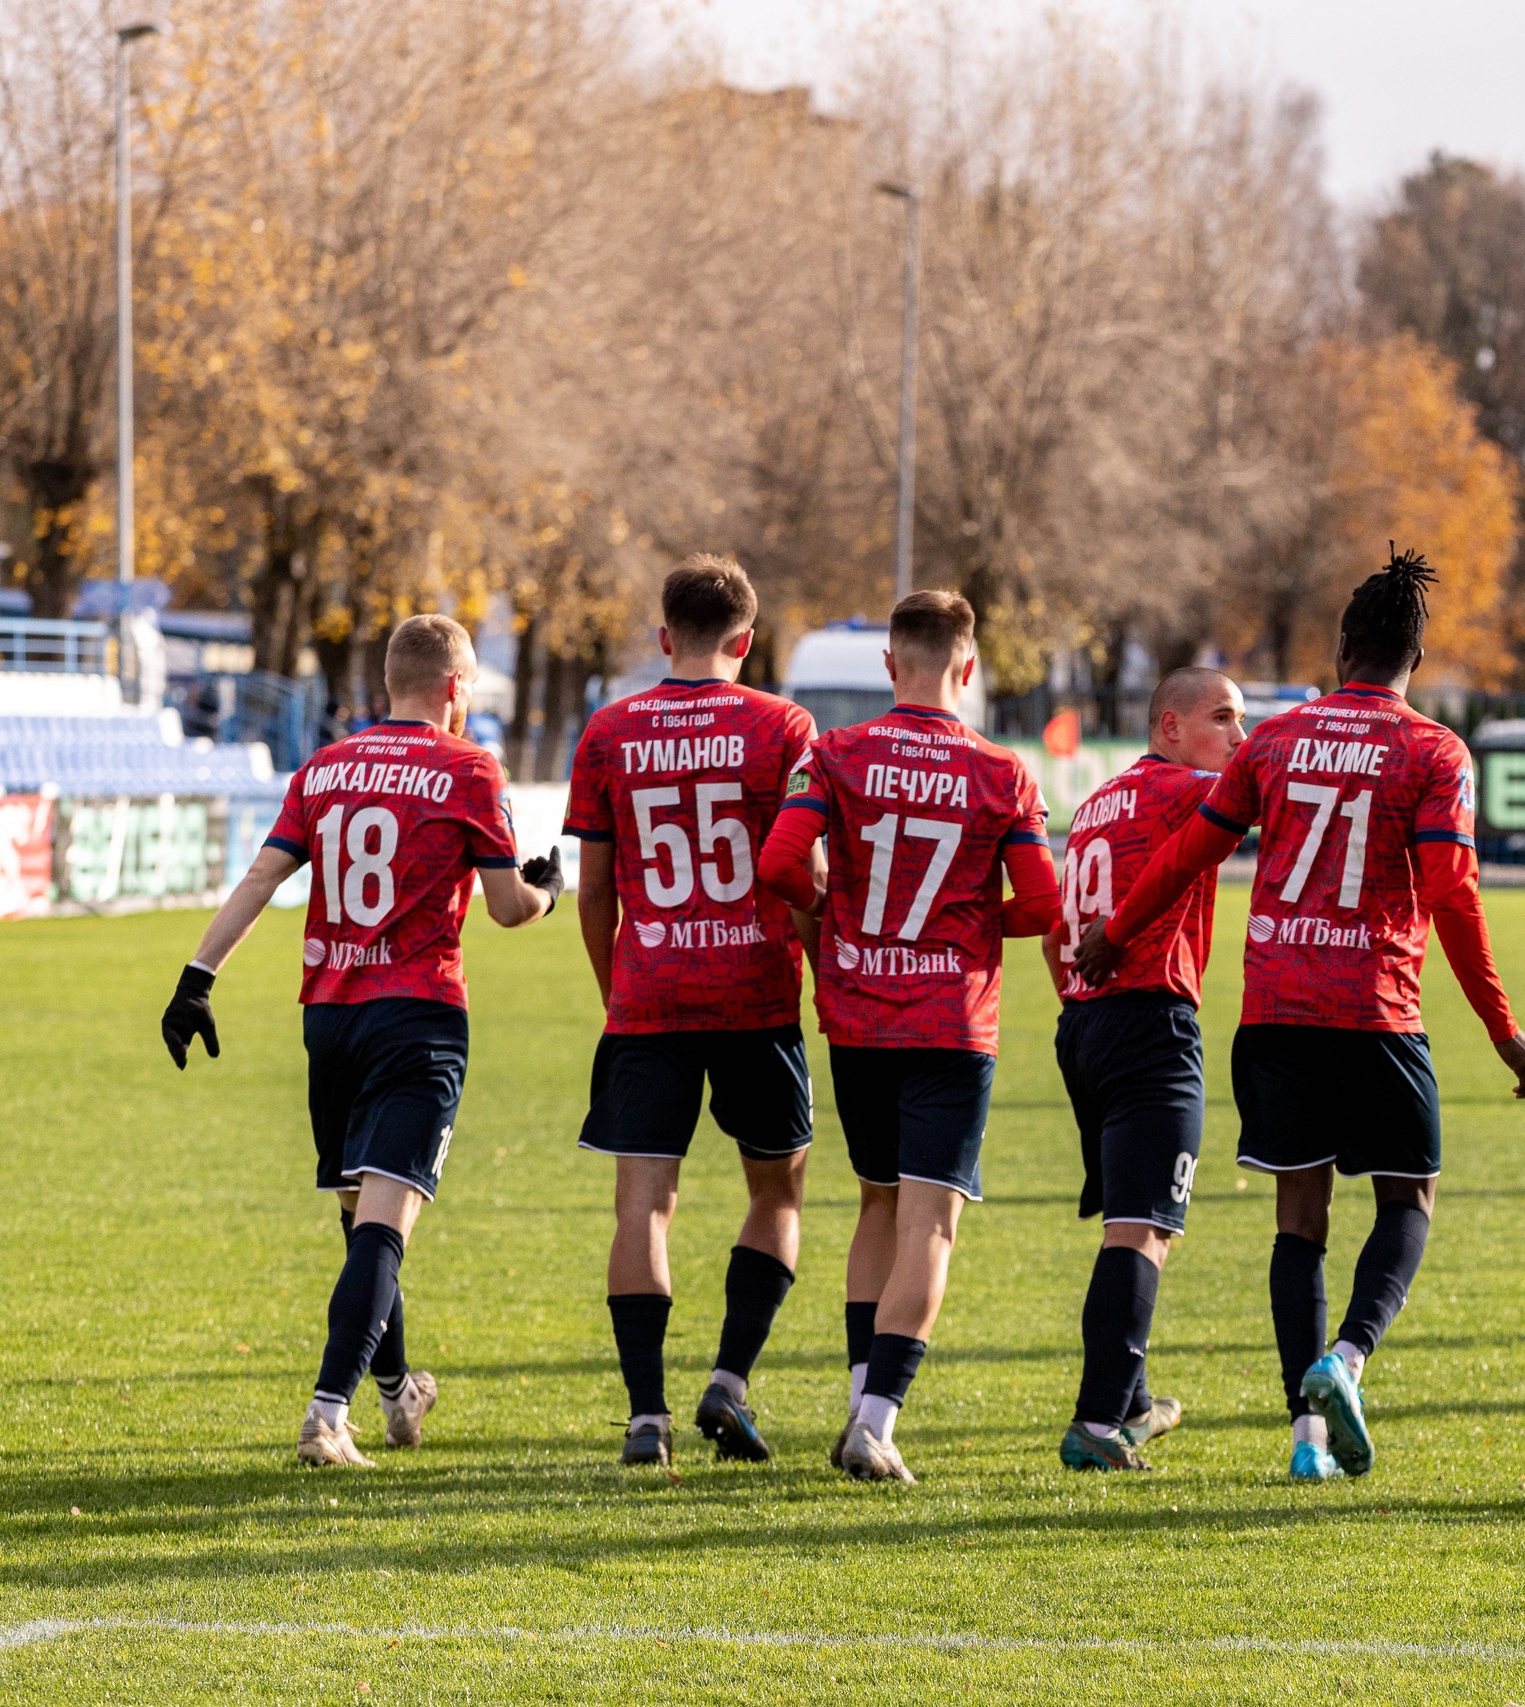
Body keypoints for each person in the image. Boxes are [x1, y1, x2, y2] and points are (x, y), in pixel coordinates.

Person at [1076, 547, 1525, 1483]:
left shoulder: (1276, 740)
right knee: (1408, 1199)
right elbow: (1454, 897)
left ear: (1342, 647)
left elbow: (1189, 852)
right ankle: (1349, 1358)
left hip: (1278, 1011)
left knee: (1301, 1221)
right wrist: (1501, 1026)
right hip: (1376, 1008)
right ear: (1416, 657)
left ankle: (1309, 1441)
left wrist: (1116, 931)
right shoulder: (1432, 751)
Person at [160, 615, 563, 1467]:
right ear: (456, 689)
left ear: (389, 681)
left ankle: (398, 1390)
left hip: (330, 1016)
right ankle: (325, 1414)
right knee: (385, 1224)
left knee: (361, 1219)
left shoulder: (326, 765)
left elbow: (264, 875)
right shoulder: (468, 767)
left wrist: (198, 976)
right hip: (416, 1016)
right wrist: (547, 894)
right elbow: (504, 905)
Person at [755, 589, 1061, 1483]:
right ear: (968, 668)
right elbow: (1042, 903)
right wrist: (966, 930)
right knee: (933, 1220)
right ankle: (877, 1421)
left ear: (891, 665)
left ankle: (860, 1397)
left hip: (856, 1010)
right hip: (949, 1020)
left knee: (877, 1203)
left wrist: (837, 914)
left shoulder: (837, 753)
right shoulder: (1003, 773)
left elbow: (781, 863)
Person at [563, 556, 819, 1467]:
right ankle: (729, 1380)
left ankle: (645, 1415)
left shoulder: (610, 731)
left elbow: (594, 890)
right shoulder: (783, 726)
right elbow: (799, 875)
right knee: (778, 1190)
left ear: (664, 637)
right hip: (756, 992)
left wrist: (614, 984)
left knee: (643, 1207)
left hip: (649, 995)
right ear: (745, 642)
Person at [1044, 666, 1249, 1471]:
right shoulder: (1179, 792)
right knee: (1145, 1227)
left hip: (1085, 1022)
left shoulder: (1098, 801)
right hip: (1149, 1019)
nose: (1236, 735)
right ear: (1169, 727)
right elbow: (1262, 785)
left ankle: (1130, 1400)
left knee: (1132, 1217)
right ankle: (1099, 1420)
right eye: (1222, 717)